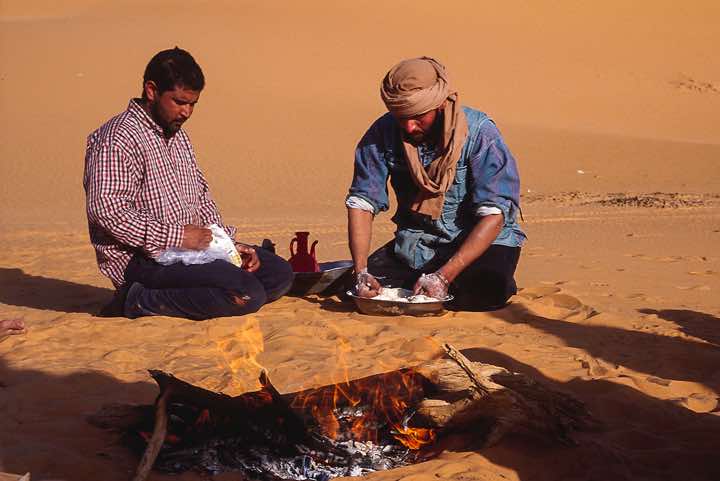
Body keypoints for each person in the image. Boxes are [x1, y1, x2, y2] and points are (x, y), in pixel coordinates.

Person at [84, 47, 293, 320]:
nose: (187, 112)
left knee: (279, 274)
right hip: (143, 260)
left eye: (193, 104)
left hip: (191, 250)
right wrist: (179, 237)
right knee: (246, 293)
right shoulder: (118, 138)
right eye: (180, 102)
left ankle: (210, 287)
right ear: (151, 90)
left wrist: (227, 246)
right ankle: (136, 300)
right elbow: (106, 209)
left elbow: (200, 198)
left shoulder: (177, 135)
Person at [346, 57, 525, 310]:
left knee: (483, 293)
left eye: (418, 116)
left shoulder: (479, 133)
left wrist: (443, 276)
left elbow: (494, 214)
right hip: (417, 243)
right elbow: (361, 202)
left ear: (440, 105)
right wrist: (361, 270)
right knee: (360, 291)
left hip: (480, 242)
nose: (409, 126)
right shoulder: (382, 132)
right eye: (400, 117)